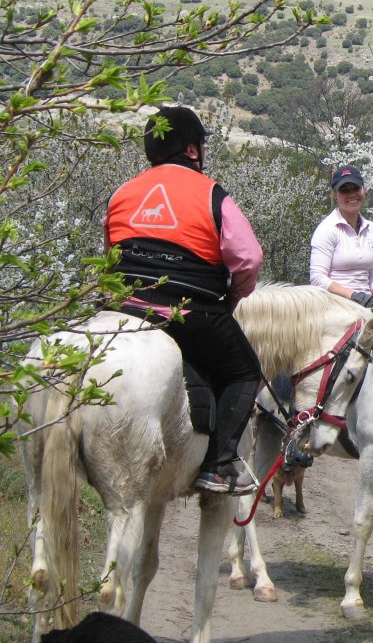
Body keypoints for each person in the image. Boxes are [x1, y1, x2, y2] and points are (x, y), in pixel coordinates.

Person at [104, 105, 263, 496]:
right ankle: (220, 464)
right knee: (245, 372)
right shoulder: (212, 195)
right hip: (192, 314)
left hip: (127, 308)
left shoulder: (122, 194)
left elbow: (109, 254)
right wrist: (231, 298)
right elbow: (249, 259)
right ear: (193, 151)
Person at [309, 164, 373, 312]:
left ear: (363, 190)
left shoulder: (371, 229)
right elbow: (317, 279)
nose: (352, 194)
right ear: (335, 195)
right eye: (345, 190)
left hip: (368, 306)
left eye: (356, 188)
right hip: (336, 307)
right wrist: (354, 296)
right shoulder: (327, 229)